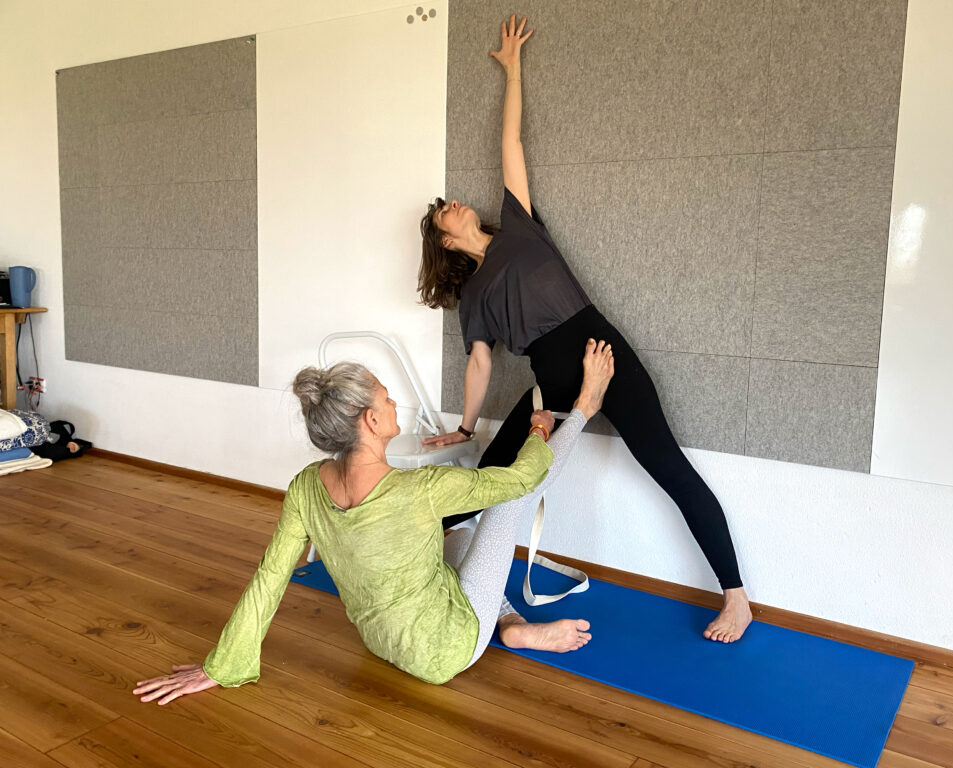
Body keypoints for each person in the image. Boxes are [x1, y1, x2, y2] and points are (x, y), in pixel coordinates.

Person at [418, 14, 752, 643]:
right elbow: (480, 365)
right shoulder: (474, 298)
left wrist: (512, 69)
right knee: (489, 479)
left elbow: (511, 146)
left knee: (668, 466)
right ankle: (423, 569)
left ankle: (735, 597)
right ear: (445, 241)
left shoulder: (519, 225)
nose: (453, 204)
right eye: (442, 213)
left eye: (451, 200)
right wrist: (464, 426)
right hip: (550, 381)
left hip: (602, 348)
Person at [133, 338, 614, 704]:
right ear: (370, 420)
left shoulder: (306, 486)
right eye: (385, 398)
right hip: (448, 650)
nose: (394, 403)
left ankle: (508, 625)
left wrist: (222, 665)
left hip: (383, 645)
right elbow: (523, 478)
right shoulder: (420, 490)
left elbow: (269, 578)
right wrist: (545, 427)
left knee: (457, 537)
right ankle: (588, 407)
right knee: (504, 506)